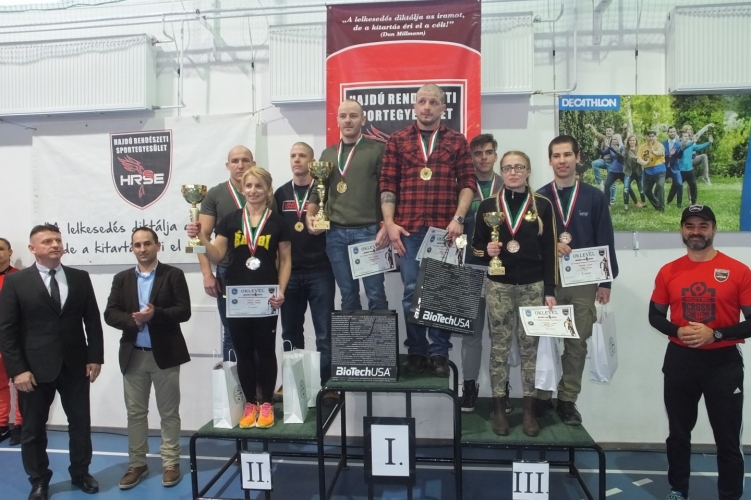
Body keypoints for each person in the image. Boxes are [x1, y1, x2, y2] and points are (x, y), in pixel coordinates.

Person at [649, 204, 749, 500]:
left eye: (703, 225)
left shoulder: (739, 271)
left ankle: (729, 496)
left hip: (723, 362)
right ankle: (678, 490)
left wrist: (715, 333)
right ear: (682, 230)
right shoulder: (668, 271)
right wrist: (677, 330)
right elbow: (655, 316)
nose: (696, 231)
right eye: (690, 225)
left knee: (727, 439)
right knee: (678, 434)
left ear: (714, 229)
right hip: (680, 361)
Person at [0, 224, 104, 500]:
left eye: (57, 240)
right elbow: (6, 330)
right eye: (47, 241)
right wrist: (18, 370)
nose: (55, 244)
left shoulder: (80, 278)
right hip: (32, 370)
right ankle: (38, 480)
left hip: (76, 365)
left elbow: (92, 321)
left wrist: (95, 357)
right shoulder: (16, 282)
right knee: (33, 430)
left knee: (80, 425)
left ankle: (80, 472)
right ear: (33, 248)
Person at [380, 83, 475, 376]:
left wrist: (459, 218)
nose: (427, 107)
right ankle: (417, 350)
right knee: (411, 292)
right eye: (422, 101)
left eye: (433, 102)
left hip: (445, 230)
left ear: (443, 108)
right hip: (408, 229)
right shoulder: (397, 140)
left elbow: (468, 183)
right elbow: (387, 184)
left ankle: (439, 353)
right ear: (414, 106)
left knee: (441, 291)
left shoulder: (457, 141)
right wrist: (389, 223)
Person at [188, 167, 291, 430]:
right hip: (236, 295)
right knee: (243, 351)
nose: (253, 191)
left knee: (265, 350)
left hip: (266, 297)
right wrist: (200, 237)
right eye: (249, 186)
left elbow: (286, 260)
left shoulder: (278, 222)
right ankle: (249, 404)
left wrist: (281, 291)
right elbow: (216, 255)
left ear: (268, 190)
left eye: (259, 186)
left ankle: (266, 403)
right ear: (242, 189)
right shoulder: (230, 220)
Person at [471, 151, 557, 437]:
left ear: (528, 170)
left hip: (533, 286)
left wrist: (550, 289)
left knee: (530, 349)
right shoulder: (487, 206)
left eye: (519, 167)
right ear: (502, 171)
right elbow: (476, 247)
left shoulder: (543, 205)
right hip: (499, 286)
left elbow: (550, 251)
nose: (513, 172)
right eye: (508, 168)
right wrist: (487, 252)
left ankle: (529, 411)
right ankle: (499, 408)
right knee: (499, 347)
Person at [536, 136, 618, 425]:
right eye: (556, 155)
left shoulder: (594, 196)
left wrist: (606, 282)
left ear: (577, 157)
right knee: (544, 339)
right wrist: (551, 244)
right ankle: (542, 397)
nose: (562, 161)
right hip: (548, 279)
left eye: (567, 155)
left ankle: (567, 400)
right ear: (550, 160)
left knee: (577, 342)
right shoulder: (539, 198)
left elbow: (605, 237)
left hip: (584, 281)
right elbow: (530, 239)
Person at [104, 227, 191, 490]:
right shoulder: (122, 279)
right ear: (132, 248)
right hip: (133, 356)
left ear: (157, 245)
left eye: (147, 244)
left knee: (169, 413)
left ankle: (171, 463)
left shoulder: (173, 274)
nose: (142, 249)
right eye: (137, 245)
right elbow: (110, 313)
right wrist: (133, 320)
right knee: (135, 414)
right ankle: (137, 464)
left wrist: (156, 314)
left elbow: (184, 311)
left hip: (165, 355)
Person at [307, 99, 389, 311]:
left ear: (363, 119)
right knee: (348, 295)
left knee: (376, 294)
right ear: (337, 121)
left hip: (369, 232)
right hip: (335, 233)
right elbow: (318, 190)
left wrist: (387, 225)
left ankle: (380, 335)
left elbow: (388, 190)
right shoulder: (328, 154)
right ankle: (352, 336)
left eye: (353, 115)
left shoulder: (378, 149)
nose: (348, 120)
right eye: (343, 116)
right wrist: (310, 215)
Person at [274, 142, 336, 402]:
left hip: (320, 270)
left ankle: (328, 383)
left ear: (312, 161)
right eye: (293, 155)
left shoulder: (324, 191)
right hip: (290, 272)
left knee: (324, 332)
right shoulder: (280, 193)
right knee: (290, 332)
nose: (297, 160)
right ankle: (291, 382)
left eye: (302, 155)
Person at [458, 134, 505, 412]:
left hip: (502, 272)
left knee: (502, 334)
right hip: (469, 269)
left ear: (496, 155)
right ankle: (469, 386)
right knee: (471, 334)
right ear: (471, 158)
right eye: (478, 153)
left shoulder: (508, 185)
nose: (484, 157)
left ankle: (502, 388)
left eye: (488, 152)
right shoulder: (462, 188)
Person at [198, 146, 256, 362]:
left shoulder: (264, 192)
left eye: (245, 160)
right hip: (228, 272)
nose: (240, 165)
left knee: (259, 333)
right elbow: (201, 238)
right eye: (235, 161)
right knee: (231, 334)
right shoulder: (215, 194)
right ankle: (232, 383)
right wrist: (207, 274)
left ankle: (257, 383)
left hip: (259, 274)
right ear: (227, 165)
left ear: (253, 164)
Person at [0, 237, 22, 446]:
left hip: (16, 339)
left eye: (1, 249)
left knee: (20, 382)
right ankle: (2, 425)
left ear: (9, 252)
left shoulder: (19, 278)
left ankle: (21, 425)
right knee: (0, 385)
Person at [667, 131, 713, 208]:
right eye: (685, 136)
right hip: (680, 171)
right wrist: (692, 142)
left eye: (687, 136)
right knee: (675, 186)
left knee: (693, 185)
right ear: (680, 138)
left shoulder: (691, 146)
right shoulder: (678, 145)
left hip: (689, 170)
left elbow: (700, 147)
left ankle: (694, 202)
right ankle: (669, 200)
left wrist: (709, 142)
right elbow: (684, 147)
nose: (687, 137)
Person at [638, 130, 667, 212]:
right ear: (646, 137)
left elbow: (660, 152)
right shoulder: (642, 147)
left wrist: (653, 151)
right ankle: (657, 205)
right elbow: (638, 159)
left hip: (659, 170)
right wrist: (644, 163)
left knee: (660, 186)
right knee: (646, 190)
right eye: (649, 136)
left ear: (656, 137)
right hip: (648, 171)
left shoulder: (659, 145)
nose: (651, 138)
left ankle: (661, 208)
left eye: (652, 136)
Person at [583, 123, 615, 195]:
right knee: (594, 163)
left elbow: (624, 135)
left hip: (612, 163)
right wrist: (590, 126)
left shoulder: (616, 139)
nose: (608, 132)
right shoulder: (604, 138)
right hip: (604, 161)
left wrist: (625, 128)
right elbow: (596, 133)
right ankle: (600, 183)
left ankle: (612, 199)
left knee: (611, 182)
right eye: (607, 131)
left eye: (609, 131)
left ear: (613, 132)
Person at [601, 135, 629, 207]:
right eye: (613, 139)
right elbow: (602, 152)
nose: (613, 141)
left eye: (615, 139)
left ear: (618, 140)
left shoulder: (622, 148)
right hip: (613, 170)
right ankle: (608, 204)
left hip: (622, 171)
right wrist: (596, 147)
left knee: (628, 186)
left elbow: (621, 157)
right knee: (607, 185)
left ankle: (636, 202)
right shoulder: (610, 148)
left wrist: (613, 149)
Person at [621, 135, 646, 210]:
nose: (632, 142)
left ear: (636, 141)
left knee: (641, 189)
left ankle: (643, 202)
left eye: (633, 140)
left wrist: (636, 157)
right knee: (626, 188)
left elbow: (643, 159)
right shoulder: (626, 150)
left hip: (638, 172)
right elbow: (621, 156)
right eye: (630, 140)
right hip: (629, 172)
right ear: (628, 142)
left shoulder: (640, 149)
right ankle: (626, 205)